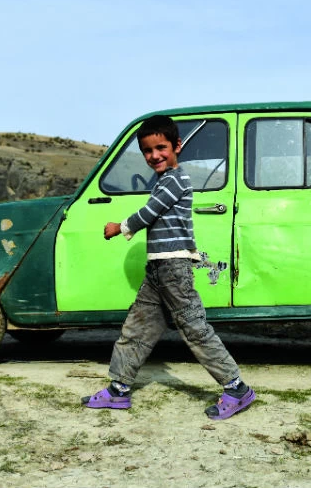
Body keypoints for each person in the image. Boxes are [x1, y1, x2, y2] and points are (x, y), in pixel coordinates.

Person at [82, 115, 256, 420]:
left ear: (176, 146)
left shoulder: (177, 179)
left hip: (174, 269)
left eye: (160, 147)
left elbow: (150, 212)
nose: (154, 156)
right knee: (137, 327)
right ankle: (119, 390)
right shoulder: (164, 180)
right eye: (147, 151)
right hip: (158, 270)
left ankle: (236, 388)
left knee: (194, 328)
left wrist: (120, 227)